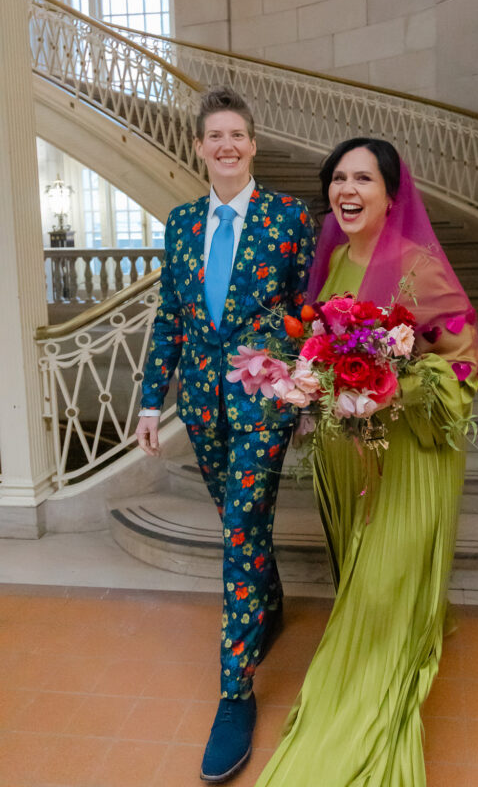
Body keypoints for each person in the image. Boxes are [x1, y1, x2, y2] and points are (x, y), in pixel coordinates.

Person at [256, 138, 478, 787]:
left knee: (382, 589)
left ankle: (362, 712)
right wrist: (306, 383)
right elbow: (322, 347)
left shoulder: (419, 269)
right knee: (365, 582)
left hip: (409, 461)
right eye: (338, 178)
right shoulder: (331, 265)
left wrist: (393, 387)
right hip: (347, 463)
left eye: (363, 178)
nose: (346, 189)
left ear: (392, 194)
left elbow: (463, 366)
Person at [135, 86, 314, 783]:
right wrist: (153, 404)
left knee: (240, 529)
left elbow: (305, 311)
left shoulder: (288, 216)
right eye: (215, 136)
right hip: (203, 409)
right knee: (236, 520)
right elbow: (170, 319)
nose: (227, 146)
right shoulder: (181, 223)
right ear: (200, 147)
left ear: (254, 144)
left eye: (237, 134)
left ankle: (234, 695)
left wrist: (302, 394)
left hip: (263, 402)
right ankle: (268, 603)